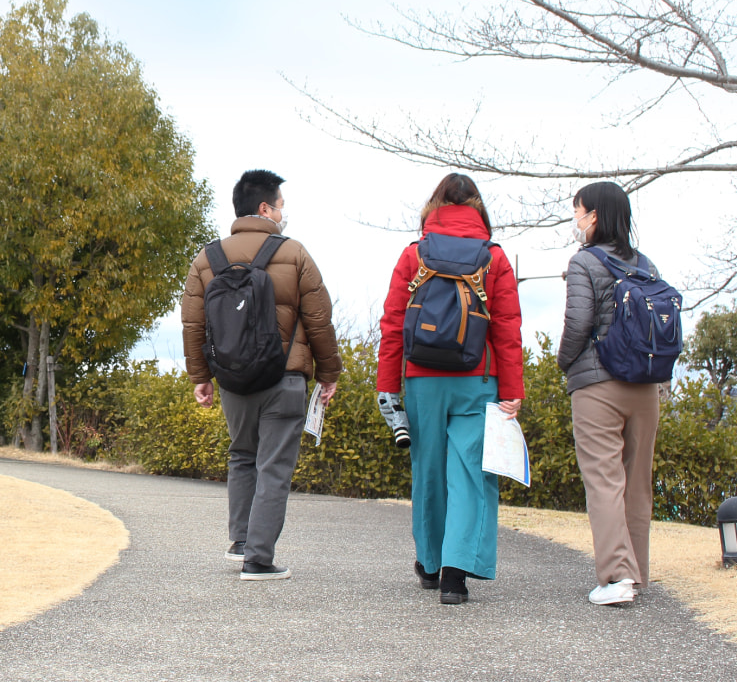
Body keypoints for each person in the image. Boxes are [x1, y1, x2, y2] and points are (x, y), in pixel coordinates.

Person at [181, 169, 341, 581]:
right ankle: (259, 559)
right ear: (265, 208)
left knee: (242, 455)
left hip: (233, 379)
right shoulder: (295, 253)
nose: (284, 213)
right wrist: (329, 373)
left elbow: (193, 324)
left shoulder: (206, 258)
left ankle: (240, 542)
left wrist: (201, 377)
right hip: (284, 378)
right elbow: (319, 320)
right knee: (274, 466)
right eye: (281, 205)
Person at [377, 174, 524, 604]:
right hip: (478, 379)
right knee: (471, 473)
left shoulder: (414, 254)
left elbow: (392, 325)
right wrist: (512, 389)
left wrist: (388, 386)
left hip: (422, 379)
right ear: (477, 208)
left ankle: (429, 563)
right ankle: (455, 576)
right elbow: (507, 329)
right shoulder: (494, 258)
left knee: (428, 470)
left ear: (434, 205)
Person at [557, 181, 661, 606]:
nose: (576, 220)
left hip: (598, 385)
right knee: (637, 484)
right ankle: (636, 574)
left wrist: (565, 363)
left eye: (578, 212)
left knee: (603, 479)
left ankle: (617, 578)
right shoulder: (647, 265)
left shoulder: (584, 261)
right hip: (646, 386)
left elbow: (578, 323)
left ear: (594, 216)